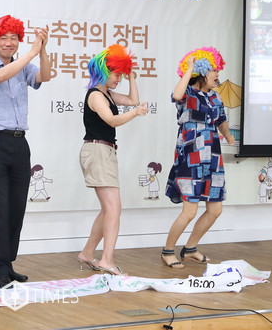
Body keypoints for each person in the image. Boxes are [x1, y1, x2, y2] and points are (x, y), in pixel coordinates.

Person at [0, 14, 51, 288]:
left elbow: (44, 76)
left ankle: (7, 264)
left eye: (14, 38)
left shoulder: (24, 65)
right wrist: (31, 52)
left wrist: (42, 50)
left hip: (19, 142)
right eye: (3, 38)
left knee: (16, 207)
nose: (9, 43)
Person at [76, 44, 148, 276]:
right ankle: (107, 260)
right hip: (98, 151)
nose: (119, 79)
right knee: (113, 208)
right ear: (104, 71)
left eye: (120, 74)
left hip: (103, 151)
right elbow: (111, 120)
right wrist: (135, 113)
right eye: (116, 74)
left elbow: (133, 99)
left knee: (109, 209)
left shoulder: (106, 94)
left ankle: (88, 253)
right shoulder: (96, 96)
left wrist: (132, 78)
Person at [161, 47, 235, 269]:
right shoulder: (188, 94)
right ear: (202, 71)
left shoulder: (215, 96)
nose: (217, 75)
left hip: (212, 157)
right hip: (191, 158)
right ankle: (167, 251)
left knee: (215, 210)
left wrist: (228, 135)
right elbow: (176, 95)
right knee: (190, 211)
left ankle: (190, 248)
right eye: (214, 70)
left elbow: (221, 119)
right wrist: (190, 69)